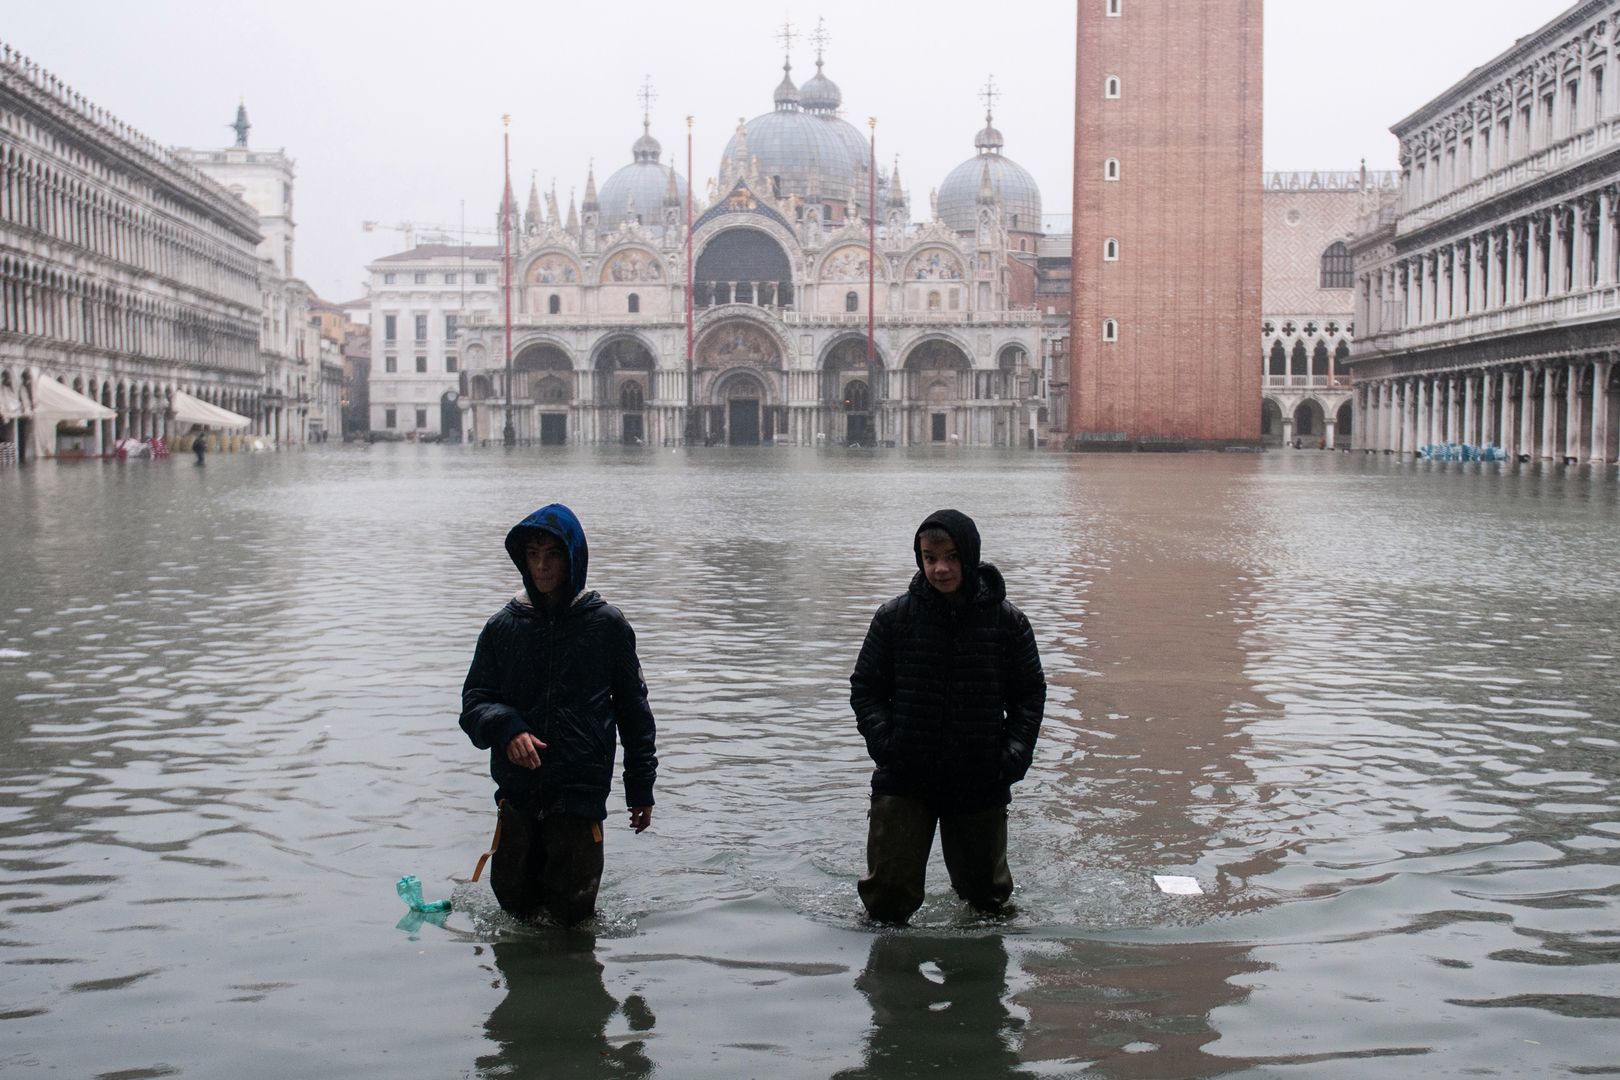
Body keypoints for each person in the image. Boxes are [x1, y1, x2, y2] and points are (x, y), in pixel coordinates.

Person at [460, 503, 657, 925]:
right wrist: (508, 729)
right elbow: (474, 702)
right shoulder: (503, 626)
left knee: (573, 915)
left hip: (579, 794)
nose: (543, 567)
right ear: (522, 560)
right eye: (533, 555)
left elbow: (634, 713)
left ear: (572, 558)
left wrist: (640, 789)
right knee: (514, 910)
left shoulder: (606, 626)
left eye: (552, 555)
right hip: (517, 795)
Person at [850, 509, 1045, 924]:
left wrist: (1011, 757)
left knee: (986, 903)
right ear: (919, 559)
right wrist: (888, 746)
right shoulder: (893, 618)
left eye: (951, 557)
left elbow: (1029, 695)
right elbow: (866, 689)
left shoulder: (1008, 623)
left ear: (969, 557)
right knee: (885, 903)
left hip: (980, 777)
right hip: (905, 776)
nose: (940, 568)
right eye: (929, 557)